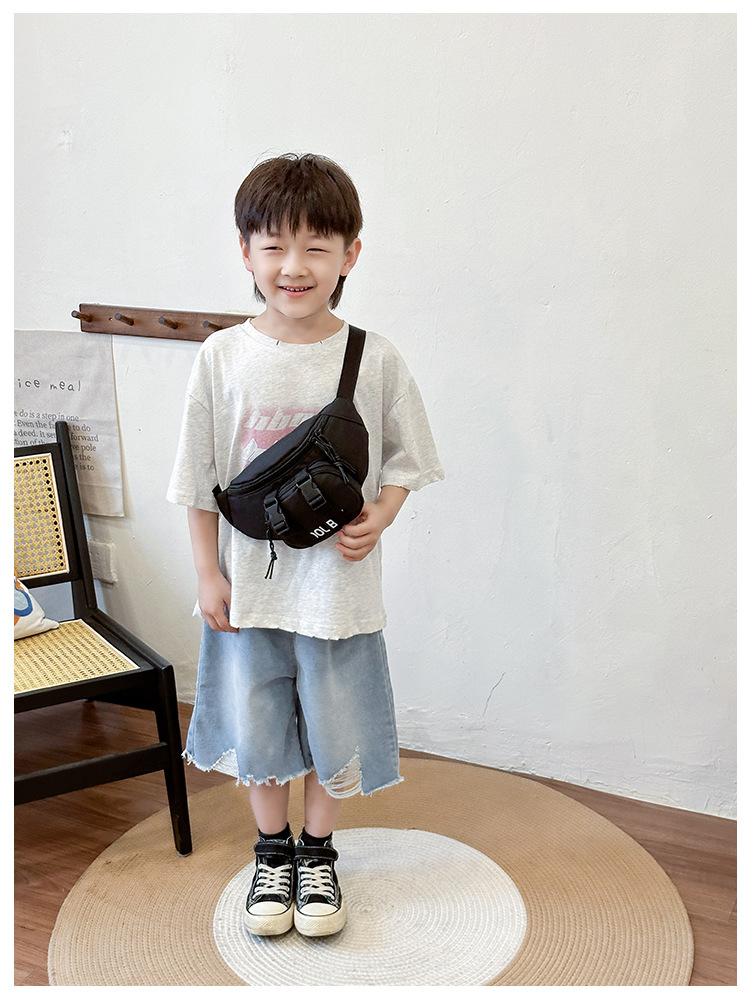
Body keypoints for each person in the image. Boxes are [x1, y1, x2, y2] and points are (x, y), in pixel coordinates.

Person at [167, 153, 443, 939]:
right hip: (249, 593)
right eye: (274, 246)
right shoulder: (222, 356)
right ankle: (272, 851)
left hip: (337, 594)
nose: (294, 266)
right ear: (245, 252)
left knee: (334, 724)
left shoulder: (373, 357)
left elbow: (409, 460)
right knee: (259, 725)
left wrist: (382, 514)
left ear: (350, 255)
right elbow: (196, 480)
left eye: (317, 247)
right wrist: (206, 573)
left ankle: (316, 854)